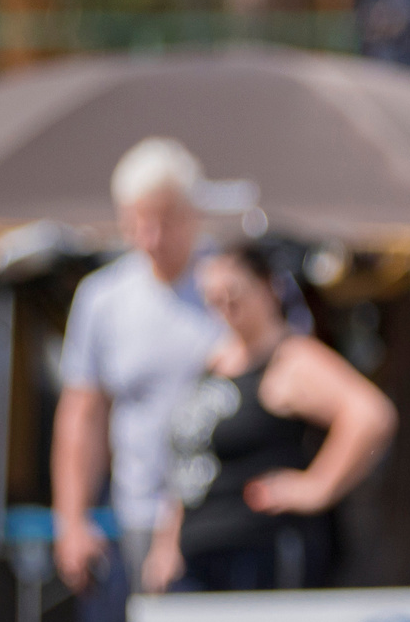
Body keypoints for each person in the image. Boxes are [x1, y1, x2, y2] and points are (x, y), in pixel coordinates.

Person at [53, 139, 227, 622]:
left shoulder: (230, 288)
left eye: (166, 220)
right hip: (131, 517)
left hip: (218, 521)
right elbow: (81, 415)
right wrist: (72, 520)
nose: (150, 237)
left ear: (194, 214)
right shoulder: (103, 298)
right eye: (137, 222)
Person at [141, 246, 395, 593]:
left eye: (234, 297)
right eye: (214, 301)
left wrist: (317, 487)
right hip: (199, 554)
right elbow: (189, 460)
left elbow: (370, 415)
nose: (226, 311)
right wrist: (167, 541)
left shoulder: (291, 359)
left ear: (267, 288)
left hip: (258, 551)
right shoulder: (214, 361)